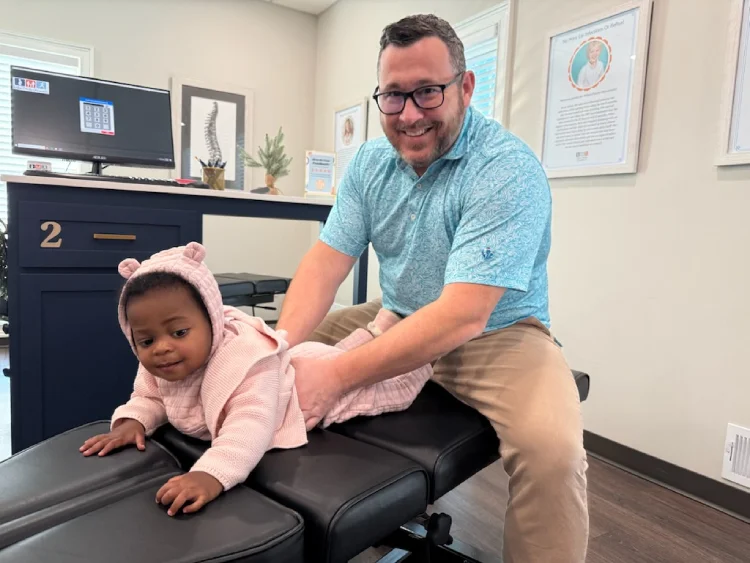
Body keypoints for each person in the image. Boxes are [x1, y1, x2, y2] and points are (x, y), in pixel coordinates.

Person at [274, 13, 589, 563]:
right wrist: (277, 345)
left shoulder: (505, 170)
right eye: (394, 97)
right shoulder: (371, 163)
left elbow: (463, 315)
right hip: (393, 313)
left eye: (428, 92)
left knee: (552, 452)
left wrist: (333, 376)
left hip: (495, 334)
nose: (410, 114)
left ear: (465, 87)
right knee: (268, 363)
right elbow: (325, 265)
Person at [79, 242, 431, 517]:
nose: (163, 348)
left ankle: (421, 347)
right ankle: (380, 328)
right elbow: (150, 397)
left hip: (301, 393)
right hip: (296, 363)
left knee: (387, 387)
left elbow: (249, 428)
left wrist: (211, 474)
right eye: (146, 340)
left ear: (213, 322)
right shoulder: (165, 362)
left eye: (180, 331)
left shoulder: (244, 365)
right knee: (336, 352)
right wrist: (131, 421)